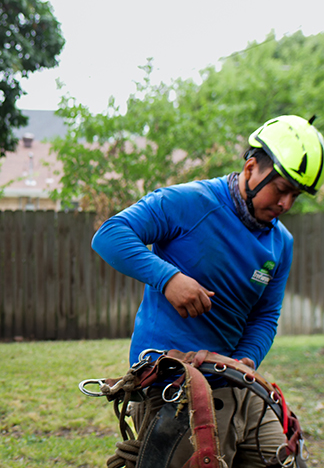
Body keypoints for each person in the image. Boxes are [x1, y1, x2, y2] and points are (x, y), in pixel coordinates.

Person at [91, 115, 323, 467]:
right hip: (171, 385)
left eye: (296, 195)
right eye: (282, 189)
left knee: (285, 461)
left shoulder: (281, 244)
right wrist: (168, 279)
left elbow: (266, 314)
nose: (287, 204)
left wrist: (246, 361)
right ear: (250, 169)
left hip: (238, 386)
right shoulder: (188, 202)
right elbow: (110, 235)